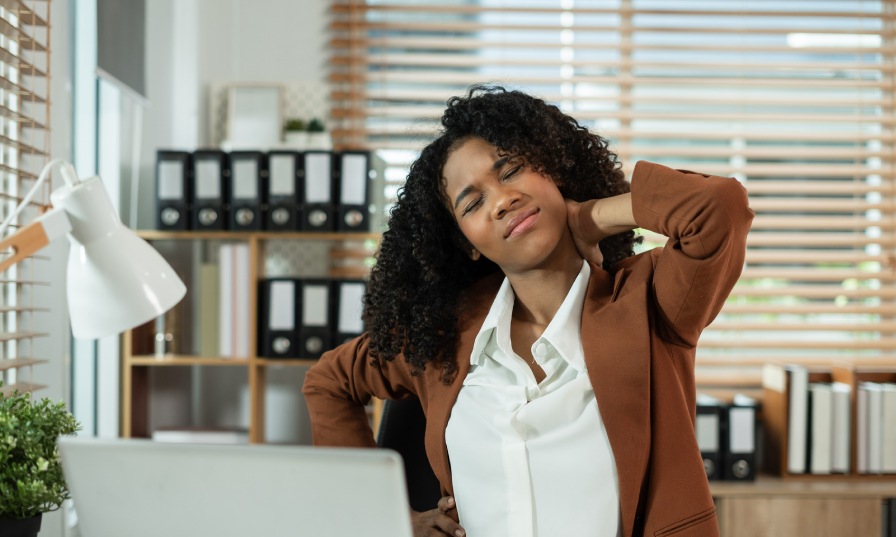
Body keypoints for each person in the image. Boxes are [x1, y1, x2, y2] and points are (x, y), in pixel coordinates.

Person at [303, 85, 753, 537]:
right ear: (467, 244)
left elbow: (719, 209)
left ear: (552, 169)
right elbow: (330, 381)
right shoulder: (445, 336)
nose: (502, 201)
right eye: (473, 202)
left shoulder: (649, 302)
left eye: (512, 170)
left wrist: (589, 217)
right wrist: (381, 515)